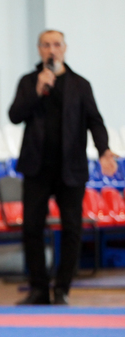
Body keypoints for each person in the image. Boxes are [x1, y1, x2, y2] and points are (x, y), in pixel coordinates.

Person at [9, 30, 118, 305]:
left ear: (64, 48)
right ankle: (38, 289)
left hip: (71, 167)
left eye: (56, 44)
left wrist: (103, 149)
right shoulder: (29, 81)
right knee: (32, 228)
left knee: (72, 229)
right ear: (39, 49)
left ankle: (62, 289)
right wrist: (37, 91)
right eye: (46, 45)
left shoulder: (80, 84)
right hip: (36, 167)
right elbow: (14, 115)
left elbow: (95, 120)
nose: (51, 49)